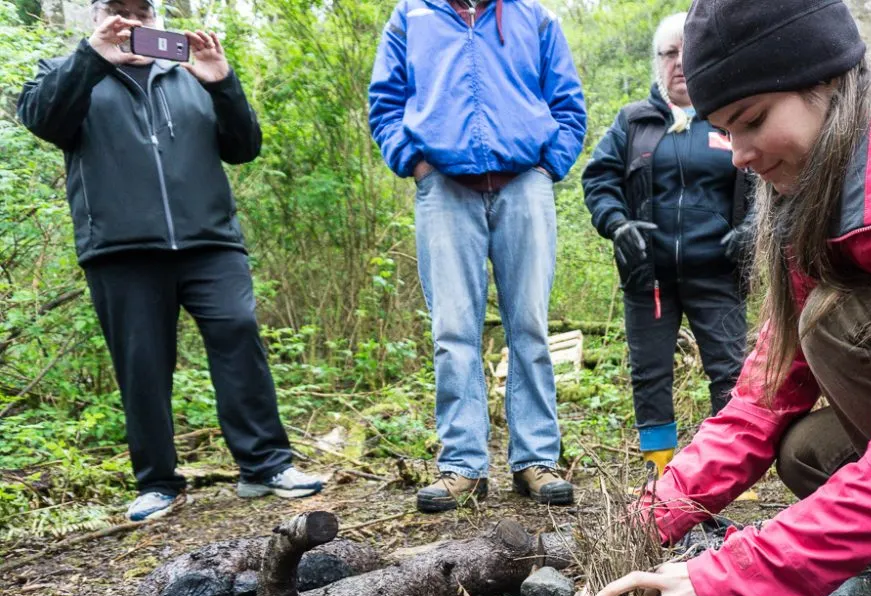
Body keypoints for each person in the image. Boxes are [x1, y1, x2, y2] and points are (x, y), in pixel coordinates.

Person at [588, 0, 871, 596]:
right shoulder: (822, 188)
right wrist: (646, 517)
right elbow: (764, 398)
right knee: (808, 452)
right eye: (723, 130)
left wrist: (734, 576)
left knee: (836, 321)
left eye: (752, 121)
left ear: (825, 83)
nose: (737, 155)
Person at [18, 0, 323, 522]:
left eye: (142, 12)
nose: (132, 22)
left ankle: (265, 466)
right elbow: (46, 121)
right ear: (96, 17)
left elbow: (244, 147)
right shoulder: (65, 72)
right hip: (121, 249)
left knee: (239, 334)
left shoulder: (190, 72)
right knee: (142, 365)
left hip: (210, 241)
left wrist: (222, 82)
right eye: (119, 11)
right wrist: (93, 59)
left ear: (158, 19)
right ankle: (158, 482)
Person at [368, 0, 586, 514]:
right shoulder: (410, 17)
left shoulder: (535, 18)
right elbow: (385, 103)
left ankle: (535, 459)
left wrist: (546, 167)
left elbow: (568, 104)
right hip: (444, 188)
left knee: (529, 325)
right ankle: (463, 465)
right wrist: (416, 164)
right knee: (453, 330)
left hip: (523, 183)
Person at [581, 12, 751, 478]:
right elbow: (599, 180)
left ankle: (729, 468)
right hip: (648, 274)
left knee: (730, 371)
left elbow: (765, 184)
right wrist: (617, 225)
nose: (679, 63)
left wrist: (751, 230)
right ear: (657, 62)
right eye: (669, 53)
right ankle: (661, 471)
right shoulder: (633, 122)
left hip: (718, 270)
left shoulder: (731, 117)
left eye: (687, 52)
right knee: (651, 373)